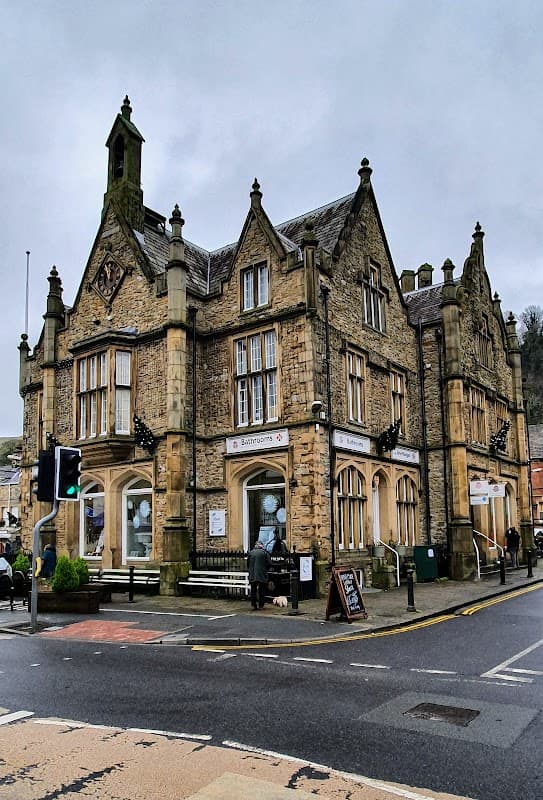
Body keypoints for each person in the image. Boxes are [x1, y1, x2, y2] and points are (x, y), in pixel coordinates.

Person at [247, 540, 271, 610]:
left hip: (252, 574)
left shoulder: (250, 553)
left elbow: (248, 564)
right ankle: (261, 605)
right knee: (262, 590)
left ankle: (253, 604)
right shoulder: (264, 553)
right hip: (261, 574)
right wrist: (266, 569)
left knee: (253, 590)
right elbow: (269, 563)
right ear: (261, 545)